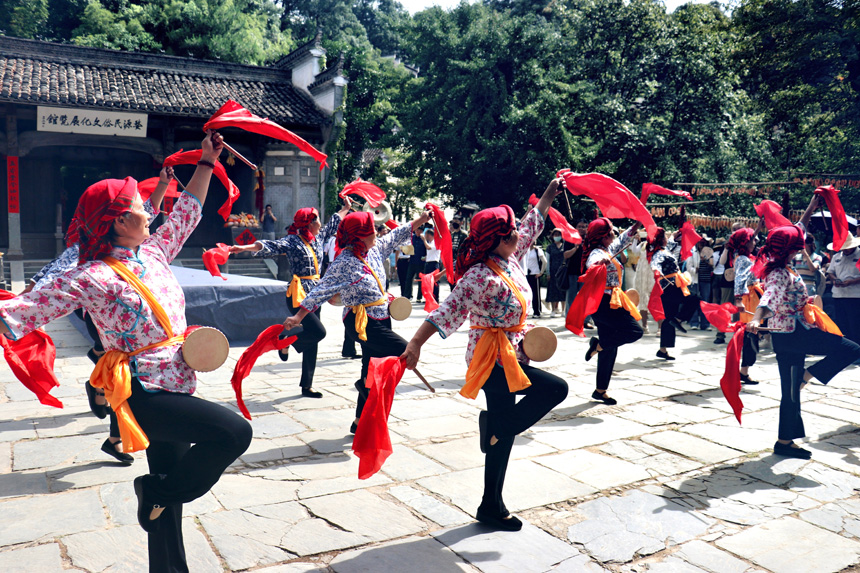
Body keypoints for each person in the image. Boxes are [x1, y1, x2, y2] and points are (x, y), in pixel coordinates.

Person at [0, 132, 253, 572]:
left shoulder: (152, 253)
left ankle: (168, 556)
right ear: (119, 220)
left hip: (179, 383)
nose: (150, 212)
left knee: (168, 503)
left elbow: (188, 213)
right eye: (140, 206)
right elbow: (25, 309)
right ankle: (152, 492)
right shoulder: (91, 276)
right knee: (234, 433)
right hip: (143, 393)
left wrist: (208, 162)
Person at [401, 178, 568, 531]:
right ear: (496, 239)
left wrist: (552, 191)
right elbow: (446, 311)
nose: (517, 237)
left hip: (512, 355)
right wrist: (415, 343)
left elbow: (531, 223)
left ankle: (491, 504)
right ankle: (496, 428)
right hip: (489, 358)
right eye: (510, 234)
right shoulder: (478, 275)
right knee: (555, 389)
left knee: (502, 440)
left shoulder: (513, 257)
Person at [19, 167, 173, 464]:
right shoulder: (81, 252)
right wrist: (25, 303)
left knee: (122, 376)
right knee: (119, 369)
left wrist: (164, 182)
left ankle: (113, 432)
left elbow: (147, 213)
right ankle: (99, 385)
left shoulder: (132, 236)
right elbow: (45, 278)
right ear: (112, 218)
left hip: (127, 320)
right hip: (102, 317)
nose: (145, 214)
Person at [284, 208, 433, 433]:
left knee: (371, 366)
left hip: (382, 318)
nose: (376, 234)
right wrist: (298, 316)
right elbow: (321, 290)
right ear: (359, 236)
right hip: (360, 322)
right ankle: (365, 389)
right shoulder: (344, 262)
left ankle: (358, 421)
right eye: (371, 231)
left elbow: (396, 234)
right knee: (403, 350)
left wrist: (422, 219)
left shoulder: (375, 249)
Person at [747, 195, 860, 459]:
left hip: (785, 337)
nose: (801, 248)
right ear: (789, 249)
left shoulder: (782, 263)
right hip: (797, 334)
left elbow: (799, 227)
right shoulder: (778, 273)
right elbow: (768, 297)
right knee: (852, 349)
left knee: (790, 392)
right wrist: (756, 318)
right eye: (797, 247)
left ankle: (784, 442)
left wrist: (811, 207)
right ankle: (806, 377)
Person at [230, 198, 352, 398]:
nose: (320, 223)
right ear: (309, 223)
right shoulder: (293, 241)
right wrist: (243, 248)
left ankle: (307, 385)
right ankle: (285, 341)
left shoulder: (319, 238)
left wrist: (346, 208)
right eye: (317, 220)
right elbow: (270, 245)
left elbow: (334, 222)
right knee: (319, 332)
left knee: (313, 340)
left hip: (315, 295)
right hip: (298, 294)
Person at [581, 218, 644, 404]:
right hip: (603, 304)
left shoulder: (610, 248)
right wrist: (601, 261)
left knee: (611, 347)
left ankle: (600, 390)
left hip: (612, 301)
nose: (613, 235)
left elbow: (624, 239)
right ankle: (597, 346)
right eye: (609, 233)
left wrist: (636, 226)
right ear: (602, 236)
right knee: (634, 331)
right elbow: (591, 265)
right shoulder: (596, 253)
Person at [727, 226, 762, 385]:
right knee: (750, 335)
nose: (756, 242)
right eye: (752, 240)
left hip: (753, 297)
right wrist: (739, 299)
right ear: (745, 242)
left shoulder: (743, 256)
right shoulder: (743, 259)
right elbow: (740, 279)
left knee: (752, 334)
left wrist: (759, 226)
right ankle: (743, 371)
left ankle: (744, 370)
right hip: (749, 299)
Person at [650, 228, 687, 360]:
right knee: (694, 300)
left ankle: (663, 350)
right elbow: (656, 263)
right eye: (665, 236)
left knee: (668, 318)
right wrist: (656, 269)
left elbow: (670, 245)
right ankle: (678, 319)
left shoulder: (664, 250)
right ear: (661, 239)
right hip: (669, 287)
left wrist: (672, 236)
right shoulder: (659, 253)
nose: (667, 238)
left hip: (673, 285)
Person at [825, 233, 860, 347]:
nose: (845, 250)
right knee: (841, 324)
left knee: (855, 324)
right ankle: (846, 350)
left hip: (855, 296)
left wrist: (852, 281)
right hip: (838, 295)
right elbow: (830, 272)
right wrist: (835, 279)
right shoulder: (836, 257)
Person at [632, 232, 654, 334]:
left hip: (652, 272)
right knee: (642, 297)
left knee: (654, 297)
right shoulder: (642, 245)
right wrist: (635, 240)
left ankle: (660, 327)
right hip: (641, 273)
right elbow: (634, 251)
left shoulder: (656, 246)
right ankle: (644, 325)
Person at [545, 229, 566, 317]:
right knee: (553, 290)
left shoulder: (564, 246)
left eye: (559, 234)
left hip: (562, 271)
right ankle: (553, 310)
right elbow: (547, 260)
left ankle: (563, 310)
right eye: (555, 234)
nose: (557, 236)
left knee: (563, 290)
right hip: (553, 271)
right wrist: (548, 273)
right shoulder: (550, 247)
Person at [523, 243, 547, 318]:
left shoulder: (537, 250)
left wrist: (541, 272)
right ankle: (524, 312)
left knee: (535, 294)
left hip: (535, 274)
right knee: (524, 294)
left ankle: (537, 311)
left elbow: (544, 261)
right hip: (525, 274)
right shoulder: (524, 250)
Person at [406, 229, 427, 302]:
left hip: (421, 262)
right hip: (412, 261)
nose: (417, 232)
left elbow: (427, 249)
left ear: (421, 231)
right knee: (408, 279)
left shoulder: (424, 239)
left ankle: (419, 297)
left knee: (420, 280)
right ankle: (407, 296)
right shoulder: (412, 238)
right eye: (417, 230)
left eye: (419, 230)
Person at [422, 227, 442, 301]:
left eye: (426, 235)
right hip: (428, 263)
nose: (425, 236)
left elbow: (428, 248)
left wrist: (424, 240)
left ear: (429, 235)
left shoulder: (436, 242)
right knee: (428, 281)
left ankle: (436, 298)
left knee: (434, 282)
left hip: (434, 264)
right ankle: (430, 297)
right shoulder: (430, 242)